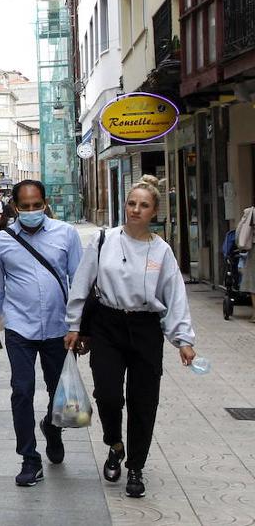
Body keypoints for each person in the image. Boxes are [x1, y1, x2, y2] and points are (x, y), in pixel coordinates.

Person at [64, 176, 197, 498]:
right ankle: (115, 443)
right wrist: (73, 324)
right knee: (107, 394)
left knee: (143, 400)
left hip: (145, 328)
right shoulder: (104, 240)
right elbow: (82, 283)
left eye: (144, 205)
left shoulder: (161, 250)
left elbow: (174, 294)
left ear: (154, 212)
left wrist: (184, 338)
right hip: (108, 325)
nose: (136, 210)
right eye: (131, 203)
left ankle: (136, 467)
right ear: (125, 205)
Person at [0, 179, 82, 488]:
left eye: (35, 205)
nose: (30, 211)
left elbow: (79, 282)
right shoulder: (2, 241)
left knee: (60, 394)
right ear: (14, 206)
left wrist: (80, 326)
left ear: (45, 203)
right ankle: (29, 458)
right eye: (24, 206)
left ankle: (53, 429)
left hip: (58, 328)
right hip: (19, 328)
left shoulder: (66, 234)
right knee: (22, 390)